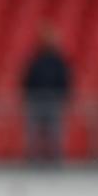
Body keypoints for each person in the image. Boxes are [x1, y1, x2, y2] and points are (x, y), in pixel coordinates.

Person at [22, 25, 72, 162]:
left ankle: (55, 160)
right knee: (33, 133)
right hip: (36, 100)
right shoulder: (35, 59)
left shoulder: (59, 61)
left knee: (55, 133)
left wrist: (62, 96)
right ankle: (33, 160)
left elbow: (65, 80)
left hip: (54, 100)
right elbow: (27, 79)